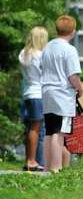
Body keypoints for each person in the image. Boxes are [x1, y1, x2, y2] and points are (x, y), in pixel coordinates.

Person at [41, 15, 83, 173]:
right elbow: (73, 76)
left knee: (49, 131)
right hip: (63, 95)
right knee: (59, 133)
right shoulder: (69, 50)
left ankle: (47, 166)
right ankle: (56, 168)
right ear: (72, 31)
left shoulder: (48, 47)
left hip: (47, 91)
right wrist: (80, 89)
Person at [18, 26, 48, 172]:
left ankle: (30, 159)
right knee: (36, 128)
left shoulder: (24, 53)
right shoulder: (40, 55)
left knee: (31, 128)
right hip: (38, 93)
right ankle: (31, 160)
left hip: (28, 93)